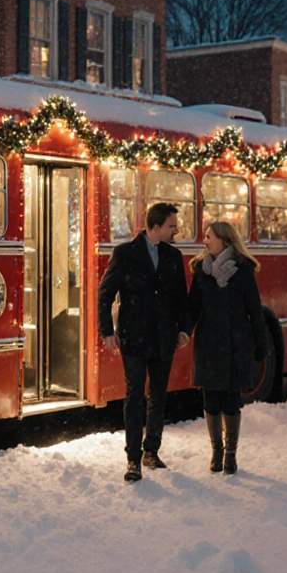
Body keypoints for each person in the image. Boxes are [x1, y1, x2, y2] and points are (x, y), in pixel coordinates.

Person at [97, 202, 192, 482]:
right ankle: (133, 459)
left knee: (159, 396)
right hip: (134, 337)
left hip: (164, 337)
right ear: (156, 226)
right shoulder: (125, 253)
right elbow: (105, 294)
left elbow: (180, 297)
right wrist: (107, 331)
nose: (176, 230)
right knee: (134, 396)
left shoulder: (173, 256)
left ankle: (152, 450)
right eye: (172, 226)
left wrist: (184, 329)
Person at [187, 221, 270, 475]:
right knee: (210, 398)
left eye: (209, 236)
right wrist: (182, 332)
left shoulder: (243, 271)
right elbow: (193, 308)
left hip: (236, 344)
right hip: (208, 344)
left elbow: (254, 310)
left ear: (224, 240)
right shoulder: (201, 270)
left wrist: (261, 344)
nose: (205, 241)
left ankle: (231, 454)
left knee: (231, 400)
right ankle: (217, 451)